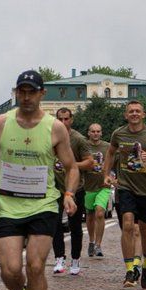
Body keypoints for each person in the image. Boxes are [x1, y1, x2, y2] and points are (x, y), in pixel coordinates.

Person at [0, 70, 81, 290]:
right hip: (9, 205)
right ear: (16, 93)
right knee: (10, 270)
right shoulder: (1, 123)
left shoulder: (55, 128)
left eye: (31, 92)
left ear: (41, 94)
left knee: (36, 267)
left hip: (43, 203)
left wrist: (69, 194)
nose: (26, 97)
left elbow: (72, 166)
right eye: (21, 91)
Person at [105, 100, 146, 290]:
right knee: (128, 223)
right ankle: (130, 269)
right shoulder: (119, 133)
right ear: (126, 115)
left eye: (137, 111)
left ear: (143, 114)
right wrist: (106, 174)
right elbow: (110, 153)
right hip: (125, 186)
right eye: (130, 111)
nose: (134, 114)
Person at [51, 108, 92, 275]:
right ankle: (59, 258)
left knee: (75, 226)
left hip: (76, 188)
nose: (63, 122)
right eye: (60, 119)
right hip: (54, 188)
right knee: (55, 225)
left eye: (66, 119)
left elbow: (90, 163)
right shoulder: (50, 137)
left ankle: (75, 259)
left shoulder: (78, 139)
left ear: (71, 120)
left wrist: (72, 165)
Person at [82, 124, 111, 264]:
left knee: (100, 212)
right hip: (87, 186)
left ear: (101, 133)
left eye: (98, 131)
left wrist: (113, 177)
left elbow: (114, 162)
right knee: (90, 215)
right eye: (92, 131)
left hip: (103, 186)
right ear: (88, 133)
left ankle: (99, 245)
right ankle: (91, 242)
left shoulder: (107, 147)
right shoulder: (83, 146)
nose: (95, 134)